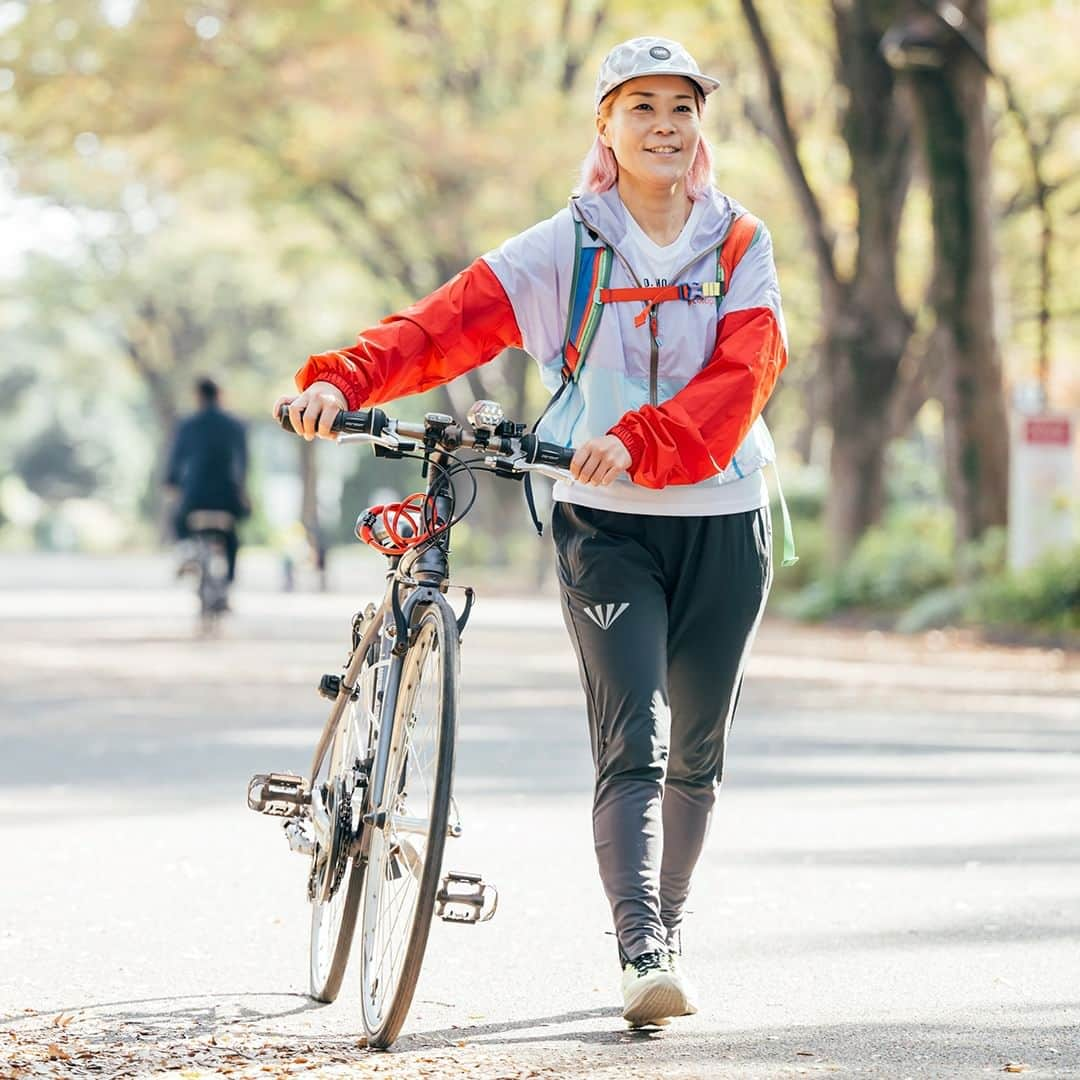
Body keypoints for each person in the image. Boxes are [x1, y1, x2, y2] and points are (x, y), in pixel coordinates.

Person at [274, 36, 788, 1028]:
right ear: (605, 125)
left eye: (682, 108)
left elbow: (746, 372)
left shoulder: (738, 243)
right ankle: (640, 947)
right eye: (642, 107)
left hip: (725, 512)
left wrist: (643, 440)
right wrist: (341, 379)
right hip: (604, 524)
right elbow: (442, 326)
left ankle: (664, 925)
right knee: (630, 734)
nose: (666, 126)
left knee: (700, 747)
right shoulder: (565, 245)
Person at [166, 376, 250, 587]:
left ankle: (187, 549)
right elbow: (243, 461)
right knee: (231, 536)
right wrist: (242, 490)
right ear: (219, 395)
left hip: (195, 496)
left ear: (198, 396)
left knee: (178, 518)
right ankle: (228, 581)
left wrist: (172, 483)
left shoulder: (188, 425)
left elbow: (176, 460)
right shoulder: (235, 425)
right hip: (227, 497)